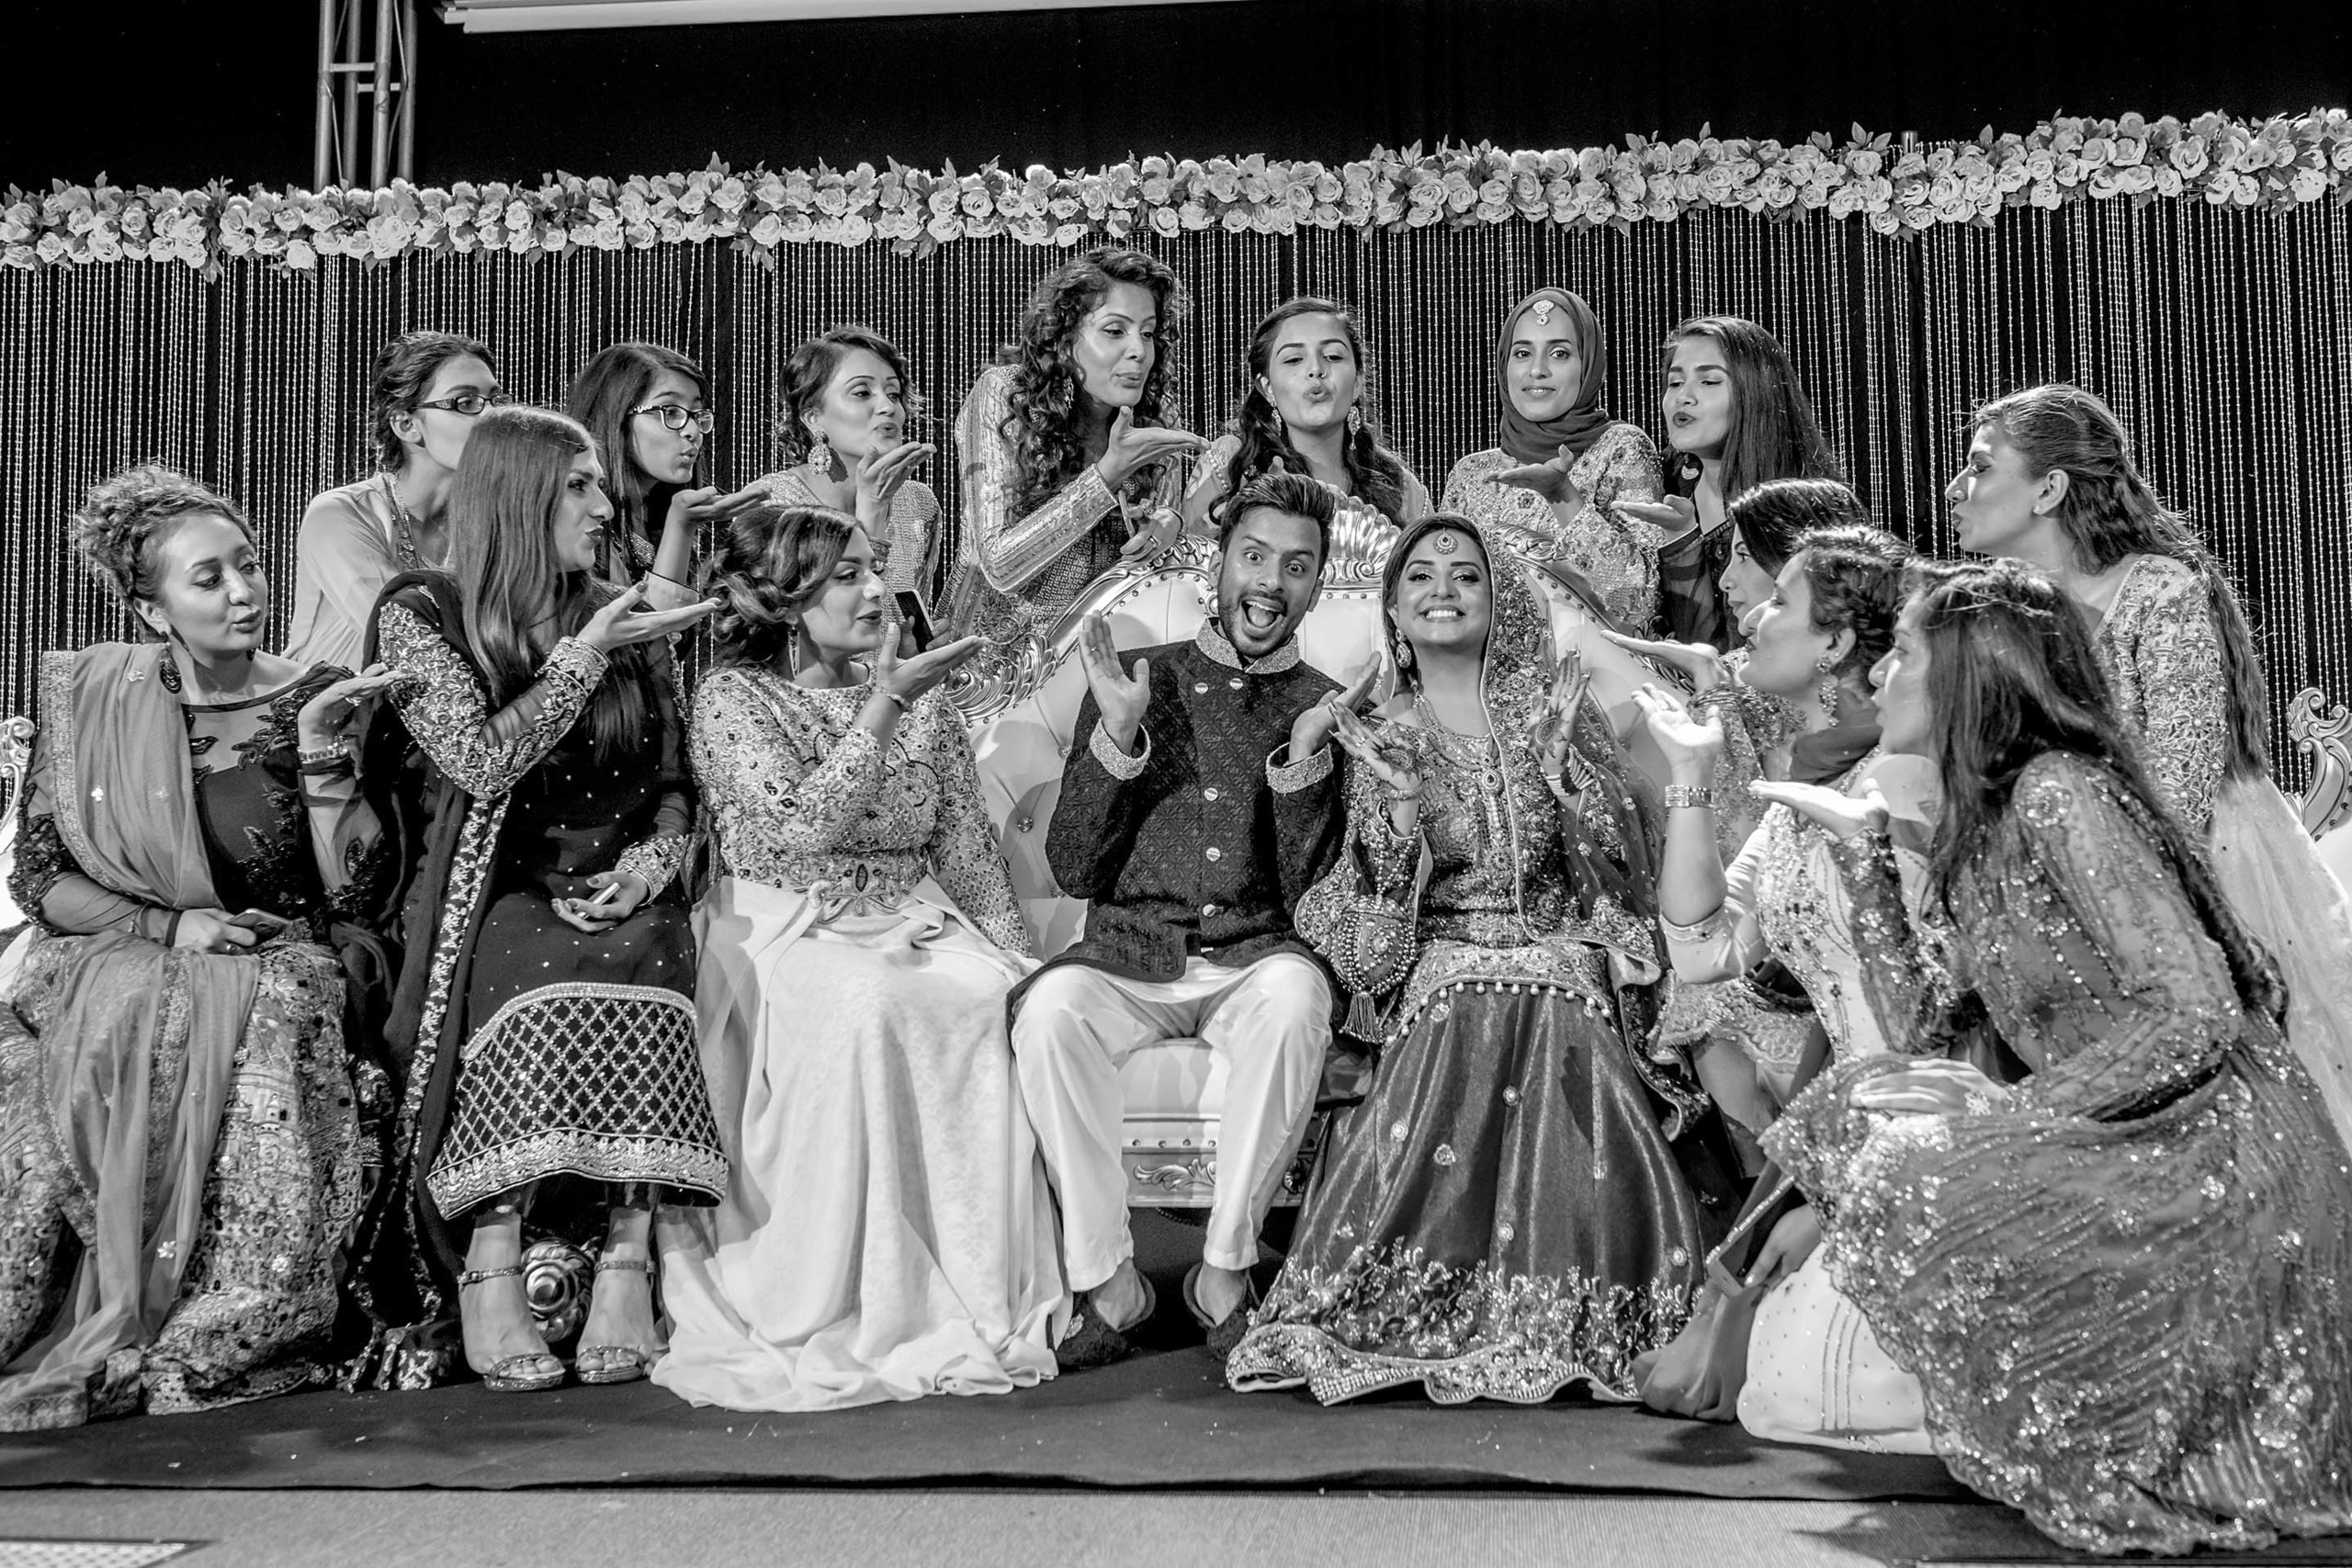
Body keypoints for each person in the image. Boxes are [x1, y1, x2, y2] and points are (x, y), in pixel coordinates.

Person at [1755, 559, 2352, 1554]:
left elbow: (2197, 1014)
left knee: (1918, 1164)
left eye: (1899, 655)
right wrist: (1863, 856)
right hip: (2121, 1124)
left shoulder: (2060, 792)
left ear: (1970, 673)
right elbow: (1917, 1033)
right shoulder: (1979, 823)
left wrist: (2002, 1123)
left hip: (2222, 1146)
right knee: (1858, 1100)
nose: (1873, 680)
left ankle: (2120, 1429)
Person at [1228, 513, 1711, 1404]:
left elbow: (1616, 861)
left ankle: (1582, 1306)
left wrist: (1571, 787)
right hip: (1440, 954)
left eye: (1465, 575)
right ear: (1393, 611)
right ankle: (1431, 1291)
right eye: (1421, 577)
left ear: (1500, 604)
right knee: (1466, 1001)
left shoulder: (1551, 712)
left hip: (1559, 943)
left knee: (1563, 1003)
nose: (1442, 589)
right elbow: (1370, 933)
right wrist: (1402, 813)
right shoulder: (1380, 733)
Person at [0, 466, 397, 1429]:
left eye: (251, 568)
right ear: (150, 610)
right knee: (70, 1042)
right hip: (123, 958)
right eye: (209, 578)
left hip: (282, 956)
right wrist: (169, 927)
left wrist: (315, 751)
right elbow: (41, 878)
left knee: (275, 1011)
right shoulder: (95, 696)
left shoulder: (324, 690)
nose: (244, 592)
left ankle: (229, 1321)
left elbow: (357, 890)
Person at [650, 503, 1066, 1411]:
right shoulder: (732, 699)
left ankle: (978, 1288)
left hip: (912, 920)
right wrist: (887, 705)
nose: (875, 590)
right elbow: (806, 823)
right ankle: (850, 1291)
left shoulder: (926, 706)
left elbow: (967, 857)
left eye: (875, 567)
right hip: (785, 929)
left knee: (992, 1002)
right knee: (870, 1007)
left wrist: (1024, 965)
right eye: (845, 576)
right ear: (783, 598)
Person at [359, 405, 727, 1393]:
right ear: (517, 494)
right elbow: (478, 764)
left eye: (601, 483)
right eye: (579, 485)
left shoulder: (617, 607)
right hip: (499, 891)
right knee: (531, 969)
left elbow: (676, 780)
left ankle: (624, 1260)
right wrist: (583, 657)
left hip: (625, 882)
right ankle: (491, 1255)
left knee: (655, 954)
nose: (605, 505)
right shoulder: (422, 613)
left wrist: (655, 865)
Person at [1951, 382, 2352, 1147]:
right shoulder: (1999, 612)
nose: (1955, 487)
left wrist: (2110, 895)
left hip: (2190, 872)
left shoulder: (2158, 589)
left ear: (2050, 488)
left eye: (1979, 466)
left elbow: (2183, 782)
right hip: (2062, 874)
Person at [1009, 471, 1350, 1365]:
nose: (1271, 583)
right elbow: (1074, 865)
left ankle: (1224, 1273)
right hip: (1132, 953)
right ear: (1217, 561)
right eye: (1255, 556)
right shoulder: (1138, 680)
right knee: (1048, 1014)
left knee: (1295, 1000)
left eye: (1297, 566)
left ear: (1317, 584)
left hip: (1254, 956)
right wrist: (1117, 738)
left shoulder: (1321, 704)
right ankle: (1107, 1284)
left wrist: (1305, 764)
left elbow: (1314, 899)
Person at [1628, 525, 1934, 1450]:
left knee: (1806, 1391)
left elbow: (1941, 1015)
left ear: (1836, 645)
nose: (1753, 616)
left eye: (1781, 603)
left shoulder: (1905, 785)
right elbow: (1700, 950)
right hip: (1846, 1120)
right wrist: (1690, 773)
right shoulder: (1806, 794)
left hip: (1919, 1124)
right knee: (1720, 1377)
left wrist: (1836, 1192)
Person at [944, 246, 1205, 647]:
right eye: (1115, 331)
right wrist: (1107, 476)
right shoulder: (1007, 397)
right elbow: (999, 565)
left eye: (1148, 332)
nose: (1139, 350)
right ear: (1065, 340)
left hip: (1100, 658)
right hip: (990, 670)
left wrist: (1169, 523)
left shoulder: (1155, 413)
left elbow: (1158, 532)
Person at [1438, 288, 1666, 628]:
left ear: (1588, 365)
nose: (1537, 370)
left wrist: (1562, 496)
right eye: (1522, 353)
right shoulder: (1471, 473)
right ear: (1503, 365)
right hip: (1481, 673)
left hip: (1590, 673)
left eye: (1559, 353)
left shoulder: (1621, 449)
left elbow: (1637, 605)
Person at [284, 330, 503, 670]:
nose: (492, 418)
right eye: (466, 402)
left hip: (445, 712)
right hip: (331, 715)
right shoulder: (339, 515)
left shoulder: (489, 521)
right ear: (406, 424)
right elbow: (404, 633)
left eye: (494, 400)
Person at [1621, 316, 1842, 649]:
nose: (1685, 397)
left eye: (1709, 382)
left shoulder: (1798, 509)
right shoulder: (1658, 481)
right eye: (1675, 383)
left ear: (1755, 394)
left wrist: (1682, 542)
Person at [1182, 296, 1429, 573]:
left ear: (1358, 382)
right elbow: (1191, 581)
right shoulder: (1231, 462)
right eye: (1294, 359)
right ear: (1267, 387)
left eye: (1333, 357)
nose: (1316, 371)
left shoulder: (1401, 487)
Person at [751, 325, 943, 637]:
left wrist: (914, 646)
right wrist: (873, 510)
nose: (888, 407)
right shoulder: (772, 503)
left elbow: (903, 620)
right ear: (814, 418)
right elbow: (778, 640)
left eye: (893, 393)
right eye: (862, 393)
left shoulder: (918, 503)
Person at [565, 342, 762, 611]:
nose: (693, 431)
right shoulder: (578, 518)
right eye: (670, 412)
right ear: (616, 417)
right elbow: (649, 641)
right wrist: (681, 526)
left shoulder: (655, 516)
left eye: (697, 414)